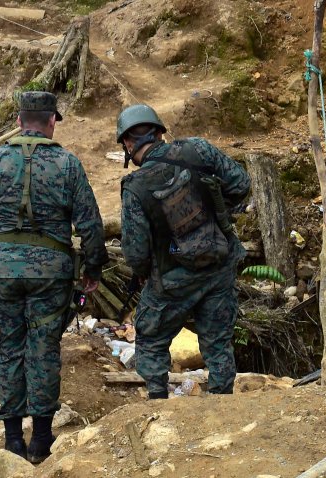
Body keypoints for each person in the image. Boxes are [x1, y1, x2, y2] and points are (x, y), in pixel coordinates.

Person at [0, 91, 108, 464]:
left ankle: (12, 438)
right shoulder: (67, 163)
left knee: (9, 348)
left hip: (5, 269)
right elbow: (90, 223)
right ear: (51, 121)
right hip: (52, 273)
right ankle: (41, 439)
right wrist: (92, 270)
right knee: (43, 348)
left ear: (20, 120)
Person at [116, 104, 250, 399]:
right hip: (218, 264)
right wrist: (214, 213)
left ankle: (157, 402)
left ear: (127, 143)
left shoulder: (135, 187)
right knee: (218, 342)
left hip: (171, 278)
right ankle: (222, 403)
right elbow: (241, 184)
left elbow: (136, 253)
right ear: (161, 132)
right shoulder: (198, 150)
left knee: (151, 338)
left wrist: (144, 275)